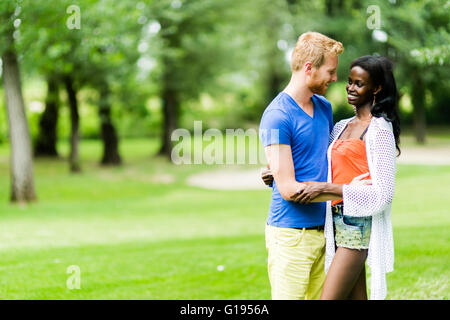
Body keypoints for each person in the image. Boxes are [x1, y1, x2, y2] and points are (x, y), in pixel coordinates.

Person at [263, 55, 400, 300]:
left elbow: (383, 195)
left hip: (356, 227)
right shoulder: (341, 127)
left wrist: (333, 189)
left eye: (359, 83)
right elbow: (318, 163)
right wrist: (276, 170)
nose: (349, 87)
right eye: (350, 81)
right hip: (334, 225)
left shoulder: (379, 130)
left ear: (376, 88)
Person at [258, 31, 343, 300]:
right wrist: (350, 193)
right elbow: (289, 190)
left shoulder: (324, 108)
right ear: (309, 68)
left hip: (325, 231)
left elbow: (323, 160)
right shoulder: (277, 115)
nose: (335, 78)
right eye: (330, 71)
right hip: (290, 237)